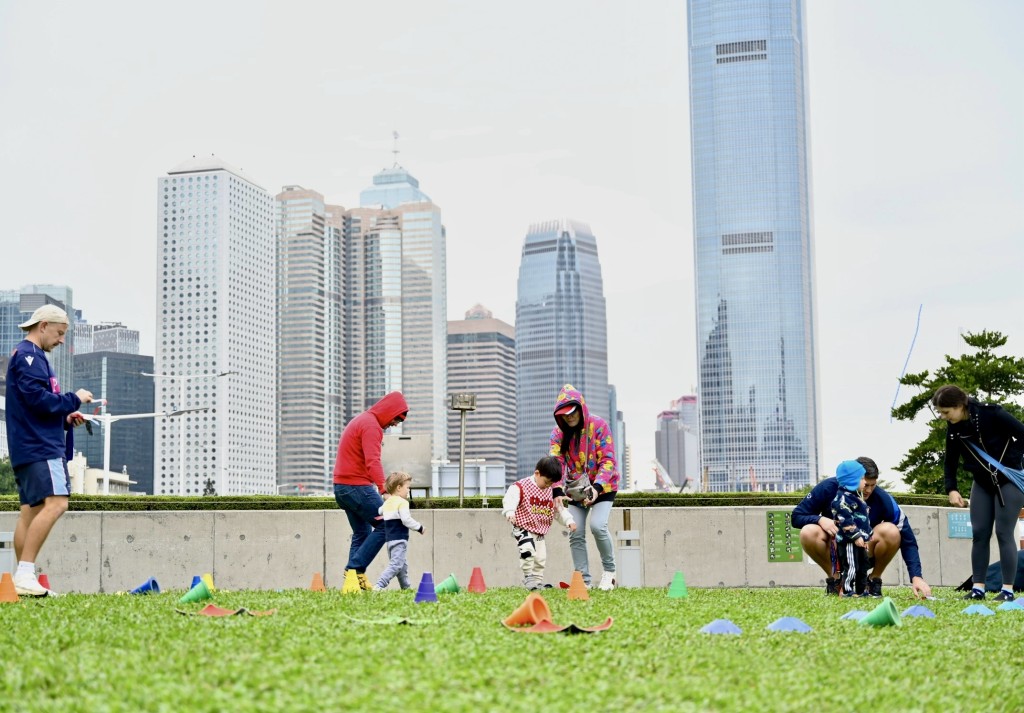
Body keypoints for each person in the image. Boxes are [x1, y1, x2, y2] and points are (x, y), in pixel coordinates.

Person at [5, 305, 93, 596]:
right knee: (57, 503)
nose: (61, 340)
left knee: (30, 512)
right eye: (59, 333)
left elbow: (37, 405)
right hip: (39, 447)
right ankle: (26, 574)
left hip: (28, 445)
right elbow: (38, 400)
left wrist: (65, 418)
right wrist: (73, 399)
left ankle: (23, 579)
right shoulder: (30, 357)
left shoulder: (28, 356)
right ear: (43, 326)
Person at [791, 456, 932, 598]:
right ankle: (836, 580)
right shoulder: (828, 487)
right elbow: (796, 516)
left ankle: (872, 581)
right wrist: (820, 519)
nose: (868, 490)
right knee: (808, 531)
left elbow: (908, 538)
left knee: (892, 531)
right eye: (865, 484)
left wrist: (916, 576)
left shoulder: (883, 499)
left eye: (873, 485)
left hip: (864, 551)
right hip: (836, 549)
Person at [933, 384, 1024, 602]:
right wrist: (951, 489)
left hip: (1009, 480)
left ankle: (1008, 590)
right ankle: (978, 588)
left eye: (946, 412)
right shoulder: (954, 428)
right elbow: (951, 461)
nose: (944, 417)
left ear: (958, 405)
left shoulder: (992, 413)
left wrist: (1012, 460)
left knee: (1004, 532)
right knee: (980, 533)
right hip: (982, 482)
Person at [333, 391, 408, 591]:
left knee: (361, 532)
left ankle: (353, 582)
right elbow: (372, 461)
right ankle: (354, 569)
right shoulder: (372, 426)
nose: (395, 424)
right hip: (356, 487)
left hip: (342, 488)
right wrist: (385, 490)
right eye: (396, 418)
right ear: (389, 411)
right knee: (388, 524)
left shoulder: (363, 421)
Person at [549, 384, 620, 590]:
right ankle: (584, 581)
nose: (569, 418)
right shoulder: (557, 434)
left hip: (603, 486)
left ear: (581, 408)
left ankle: (609, 574)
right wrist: (557, 490)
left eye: (572, 412)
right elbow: (556, 462)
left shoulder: (599, 425)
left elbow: (608, 460)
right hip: (576, 489)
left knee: (598, 526)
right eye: (565, 415)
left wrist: (597, 488)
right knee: (575, 531)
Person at [502, 455, 577, 590]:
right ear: (537, 473)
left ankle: (537, 582)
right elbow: (510, 497)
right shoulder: (522, 486)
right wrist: (510, 511)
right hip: (522, 526)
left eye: (551, 484)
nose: (548, 486)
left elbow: (558, 510)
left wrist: (569, 520)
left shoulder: (550, 491)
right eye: (546, 482)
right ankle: (528, 578)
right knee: (528, 550)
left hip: (539, 530)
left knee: (540, 558)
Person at [374, 471, 425, 591]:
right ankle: (379, 585)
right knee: (396, 565)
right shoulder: (403, 503)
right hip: (399, 540)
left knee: (402, 566)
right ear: (398, 487)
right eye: (407, 488)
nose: (409, 491)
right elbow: (406, 520)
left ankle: (406, 588)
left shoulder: (388, 503)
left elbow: (379, 511)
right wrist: (420, 527)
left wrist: (388, 501)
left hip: (390, 540)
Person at [831, 460, 872, 596]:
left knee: (863, 566)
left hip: (861, 541)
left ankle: (861, 591)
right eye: (861, 478)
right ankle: (848, 590)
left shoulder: (855, 498)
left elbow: (864, 520)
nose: (864, 482)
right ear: (851, 480)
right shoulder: (842, 500)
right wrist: (855, 535)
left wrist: (866, 537)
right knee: (852, 566)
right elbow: (845, 520)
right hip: (849, 542)